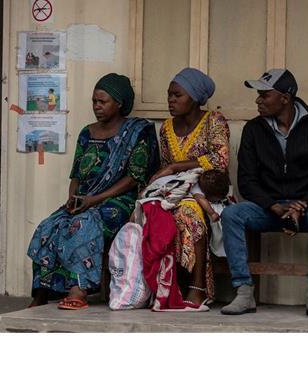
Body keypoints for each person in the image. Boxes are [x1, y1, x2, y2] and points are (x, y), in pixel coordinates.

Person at [27, 73, 158, 310]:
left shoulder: (137, 132)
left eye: (103, 101)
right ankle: (41, 292)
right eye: (94, 102)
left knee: (84, 223)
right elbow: (76, 174)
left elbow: (133, 178)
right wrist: (72, 199)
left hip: (117, 202)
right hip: (85, 200)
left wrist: (94, 200)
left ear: (119, 103)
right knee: (49, 226)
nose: (97, 106)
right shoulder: (87, 133)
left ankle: (79, 290)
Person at [220, 69, 308, 319]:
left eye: (264, 95)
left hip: (305, 208)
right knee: (231, 214)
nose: (258, 100)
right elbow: (247, 180)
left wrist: (301, 204)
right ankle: (244, 291)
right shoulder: (253, 129)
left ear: (285, 98)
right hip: (267, 208)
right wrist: (273, 205)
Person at [151, 67, 230, 305]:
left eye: (177, 95)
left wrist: (177, 168)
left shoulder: (214, 121)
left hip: (209, 193)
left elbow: (220, 160)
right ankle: (163, 286)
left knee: (189, 213)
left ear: (195, 98)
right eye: (169, 95)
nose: (171, 100)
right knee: (153, 211)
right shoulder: (166, 128)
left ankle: (197, 288)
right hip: (176, 190)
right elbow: (165, 166)